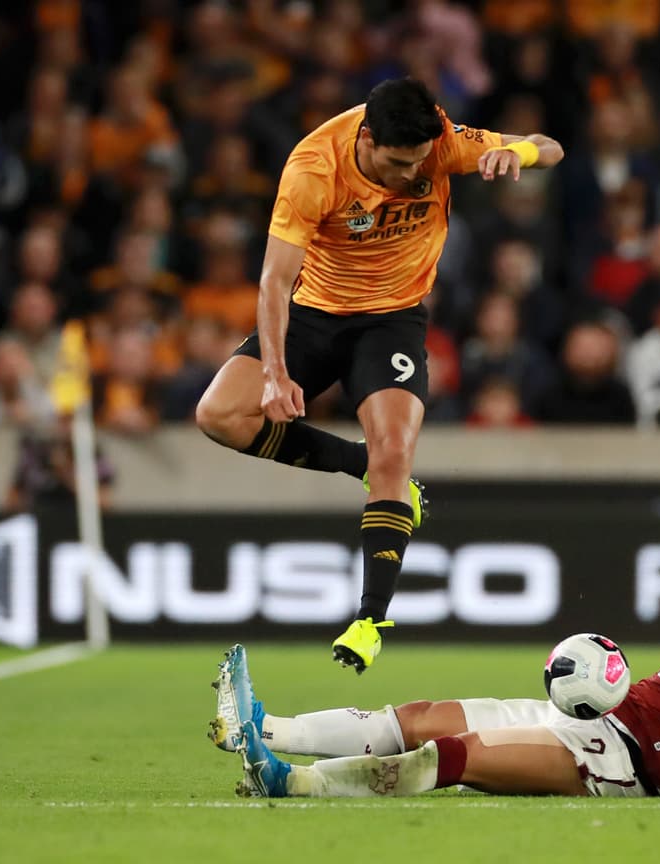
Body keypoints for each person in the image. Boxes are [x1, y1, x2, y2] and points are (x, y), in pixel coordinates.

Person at [195, 78, 563, 672]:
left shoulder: (443, 141)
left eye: (417, 163)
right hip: (314, 314)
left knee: (397, 451)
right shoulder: (315, 167)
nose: (408, 175)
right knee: (217, 416)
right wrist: (276, 374)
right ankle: (363, 468)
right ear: (367, 138)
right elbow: (271, 282)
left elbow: (550, 146)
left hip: (391, 322)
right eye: (396, 163)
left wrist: (512, 152)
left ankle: (369, 619)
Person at [212, 523, 660, 800]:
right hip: (600, 715)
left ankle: (289, 783)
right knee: (422, 715)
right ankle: (266, 730)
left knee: (455, 755)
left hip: (626, 762)